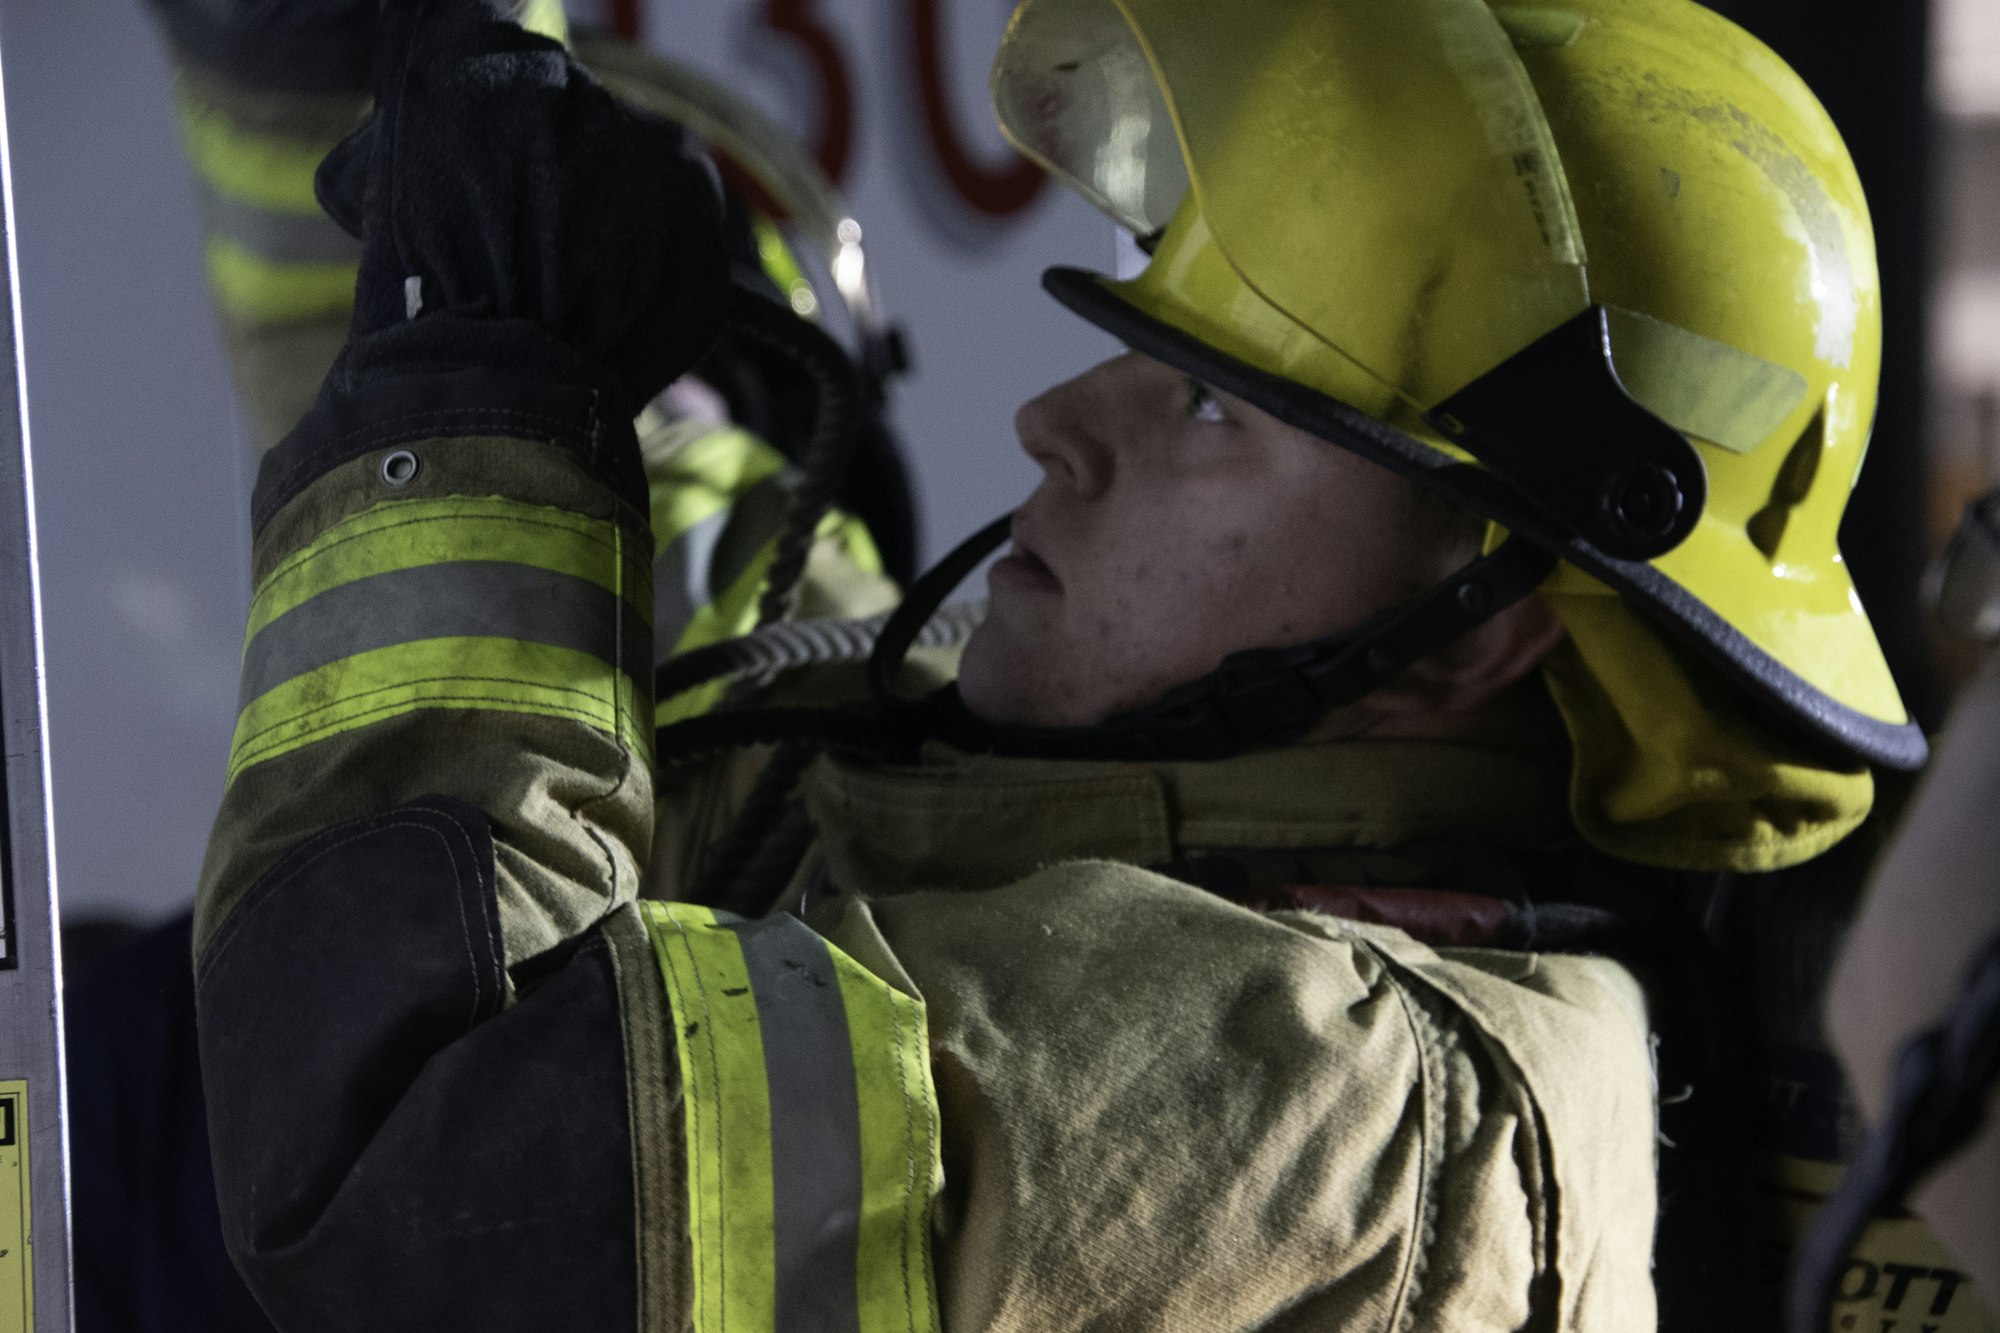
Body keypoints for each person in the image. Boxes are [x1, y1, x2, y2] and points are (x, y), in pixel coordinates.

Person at [187, 1, 1929, 1331]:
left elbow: (419, 1182)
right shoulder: (1058, 777)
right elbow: (744, 666)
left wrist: (472, 405)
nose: (1054, 420)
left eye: (1211, 408)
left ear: (1487, 620)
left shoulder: (1370, 1129)